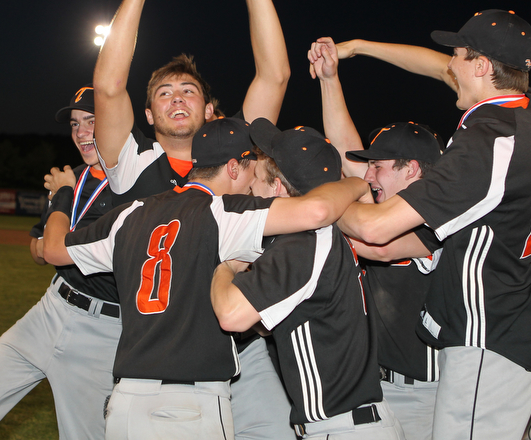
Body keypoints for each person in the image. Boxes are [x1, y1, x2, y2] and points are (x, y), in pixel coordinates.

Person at [42, 117, 369, 440]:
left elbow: (54, 250)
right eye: (253, 164)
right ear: (234, 168)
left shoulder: (131, 212)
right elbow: (316, 211)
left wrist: (62, 196)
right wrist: (356, 182)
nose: (257, 175)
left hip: (125, 402)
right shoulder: (227, 211)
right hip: (190, 407)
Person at [92, 0, 295, 439]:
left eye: (189, 91)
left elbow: (276, 73)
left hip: (242, 343)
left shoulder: (236, 154)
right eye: (164, 93)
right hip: (163, 353)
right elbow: (107, 87)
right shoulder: (135, 163)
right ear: (148, 114)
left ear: (211, 111)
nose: (177, 98)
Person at [322, 9, 531, 439]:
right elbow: (432, 65)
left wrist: (316, 200)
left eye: (459, 56)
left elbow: (375, 230)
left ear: (483, 67)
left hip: (489, 336)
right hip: (511, 326)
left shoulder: (486, 146)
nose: (448, 64)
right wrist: (359, 48)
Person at [211, 118, 405, 439]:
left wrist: (225, 266)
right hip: (352, 424)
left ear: (277, 188)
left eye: (257, 178)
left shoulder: (301, 242)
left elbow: (232, 315)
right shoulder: (324, 234)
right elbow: (267, 321)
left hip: (341, 428)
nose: (249, 187)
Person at [308, 39, 442, 439]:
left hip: (427, 394)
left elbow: (373, 242)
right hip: (376, 387)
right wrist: (330, 79)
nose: (368, 177)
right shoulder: (382, 205)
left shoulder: (440, 218)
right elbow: (349, 155)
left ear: (412, 170)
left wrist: (321, 206)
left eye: (379, 167)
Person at [0, 86, 120, 440]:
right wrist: (52, 235)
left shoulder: (134, 186)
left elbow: (56, 249)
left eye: (92, 120)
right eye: (75, 124)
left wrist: (61, 208)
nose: (81, 132)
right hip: (50, 309)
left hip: (104, 330)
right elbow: (37, 249)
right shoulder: (71, 176)